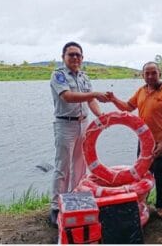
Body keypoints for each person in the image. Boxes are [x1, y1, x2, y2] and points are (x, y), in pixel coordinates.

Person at [106, 62, 162, 218]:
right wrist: (113, 99)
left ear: (160, 73)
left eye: (154, 73)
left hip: (160, 141)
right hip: (144, 141)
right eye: (147, 73)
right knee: (142, 172)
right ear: (142, 75)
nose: (150, 76)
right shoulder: (141, 91)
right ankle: (143, 201)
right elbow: (127, 107)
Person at [49, 41, 108, 228]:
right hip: (65, 125)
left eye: (78, 55)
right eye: (71, 54)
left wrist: (101, 116)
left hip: (84, 124)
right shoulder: (58, 75)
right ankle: (56, 207)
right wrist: (95, 94)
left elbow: (91, 101)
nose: (75, 58)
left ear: (82, 58)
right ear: (63, 57)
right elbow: (67, 96)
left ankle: (75, 200)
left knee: (80, 165)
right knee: (62, 167)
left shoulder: (84, 77)